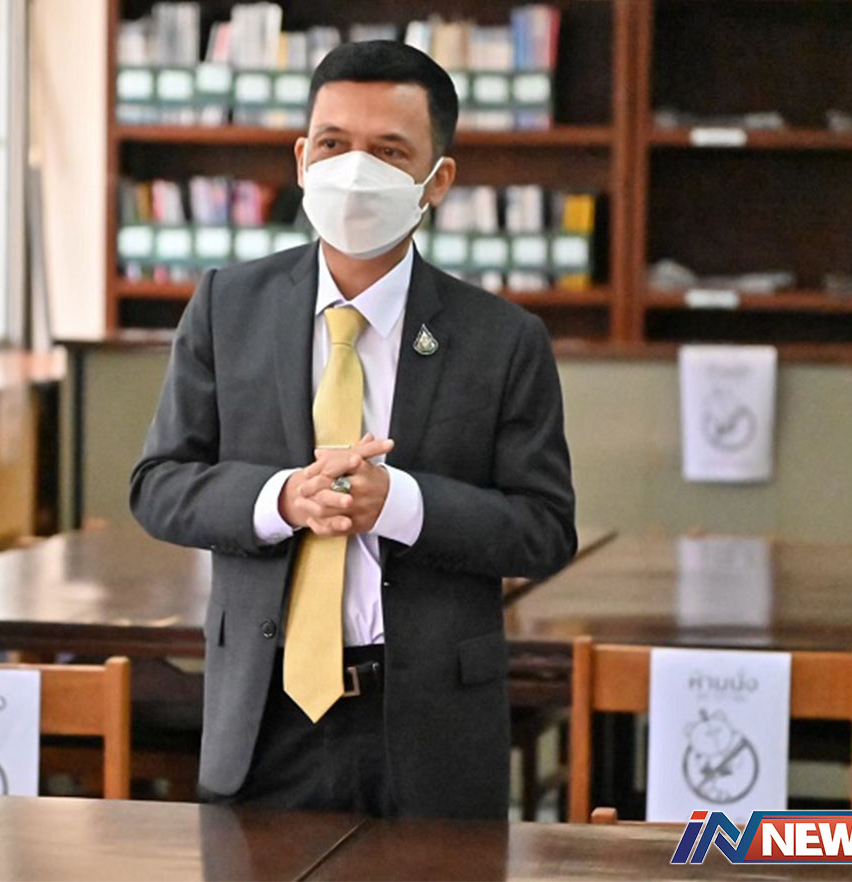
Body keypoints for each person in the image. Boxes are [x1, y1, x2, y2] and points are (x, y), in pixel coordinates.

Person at [129, 39, 576, 820]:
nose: (355, 171)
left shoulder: (503, 339)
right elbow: (159, 485)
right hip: (262, 717)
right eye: (334, 144)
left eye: (389, 151)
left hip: (429, 725)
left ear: (438, 181)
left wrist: (398, 503)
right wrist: (280, 499)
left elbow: (543, 530)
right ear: (302, 158)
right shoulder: (228, 306)